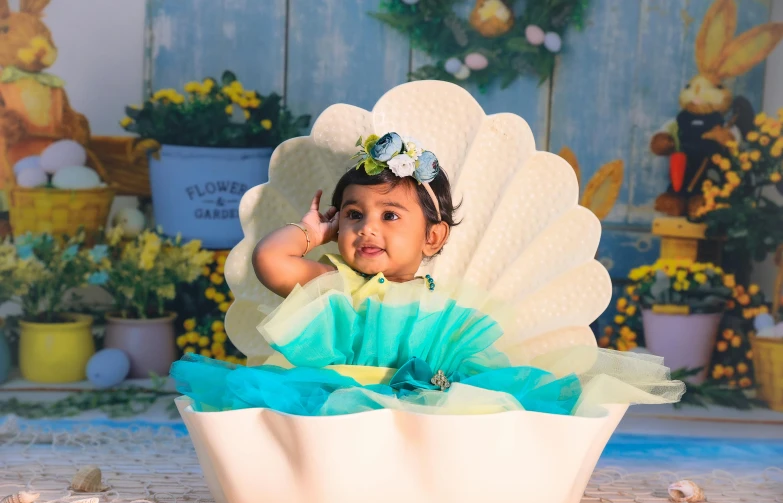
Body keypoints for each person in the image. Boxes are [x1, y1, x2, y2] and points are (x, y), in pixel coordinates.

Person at [171, 132, 684, 416]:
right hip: (331, 404)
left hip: (425, 407)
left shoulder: (446, 310)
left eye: (390, 215)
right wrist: (312, 231)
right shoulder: (334, 286)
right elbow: (270, 261)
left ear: (432, 238)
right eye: (354, 214)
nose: (367, 228)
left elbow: (464, 368)